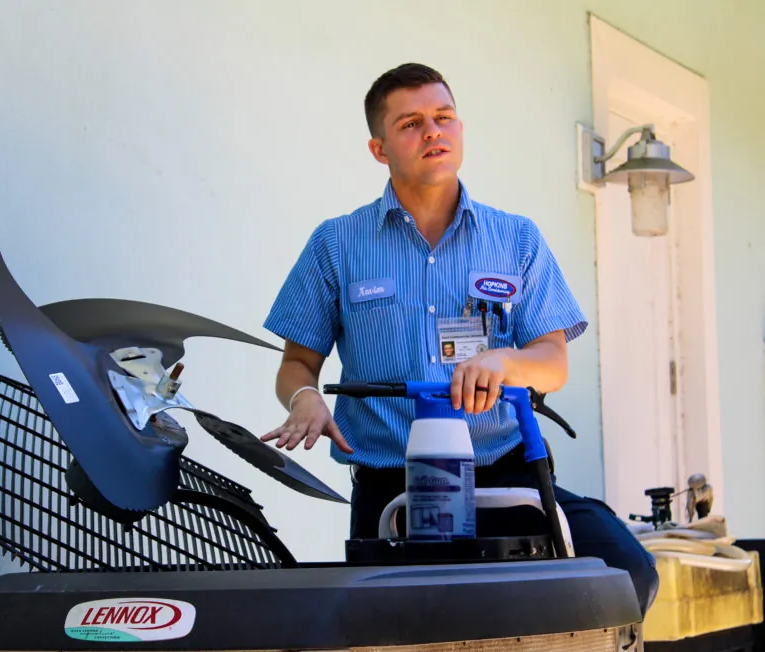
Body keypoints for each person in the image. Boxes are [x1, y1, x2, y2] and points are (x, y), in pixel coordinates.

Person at [260, 63, 658, 617]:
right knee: (402, 633)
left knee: (624, 572)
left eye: (444, 117)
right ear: (379, 148)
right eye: (411, 124)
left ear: (461, 129)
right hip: (390, 492)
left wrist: (503, 361)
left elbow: (552, 362)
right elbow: (297, 363)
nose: (433, 132)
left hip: (503, 476)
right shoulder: (336, 243)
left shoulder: (515, 238)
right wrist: (304, 398)